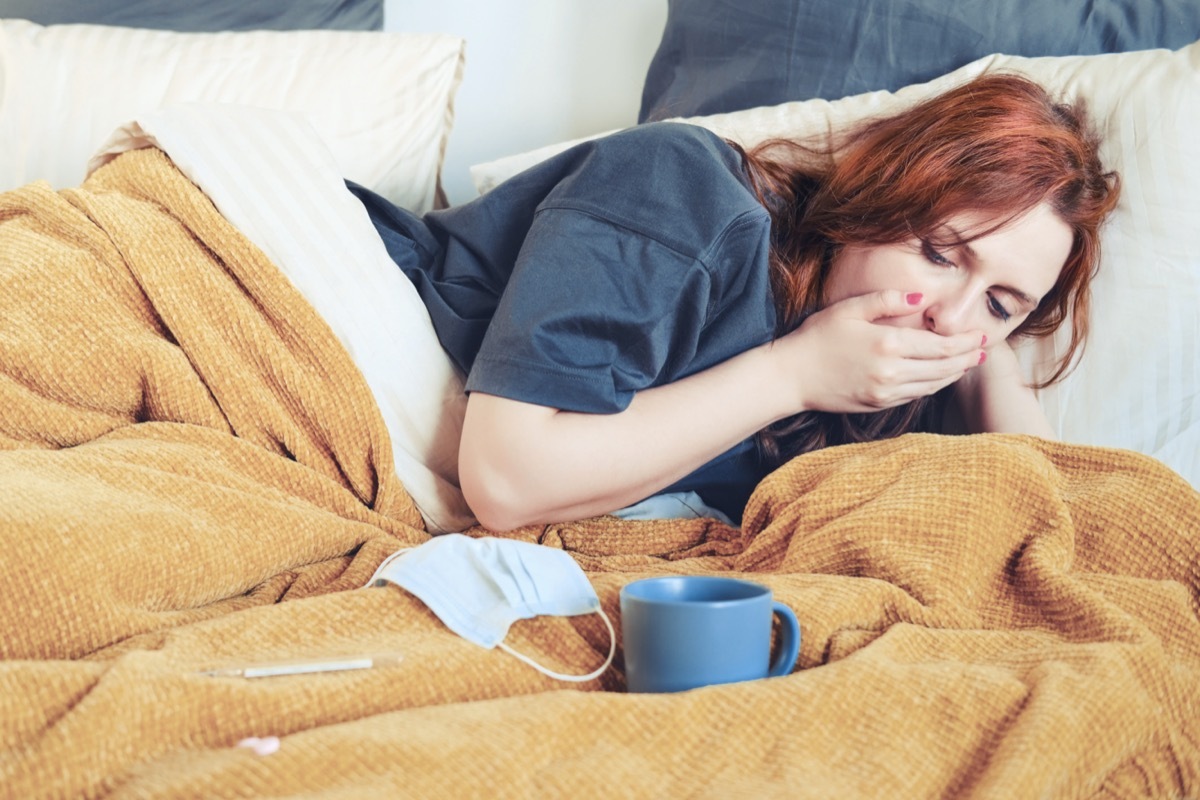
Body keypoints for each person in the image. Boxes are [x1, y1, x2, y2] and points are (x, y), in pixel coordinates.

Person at [350, 73, 1120, 532]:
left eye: (1002, 303)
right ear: (875, 192)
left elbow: (1049, 527)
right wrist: (792, 373)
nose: (949, 317)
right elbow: (508, 480)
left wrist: (989, 362)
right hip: (316, 283)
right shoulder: (682, 189)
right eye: (940, 252)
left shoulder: (887, 401)